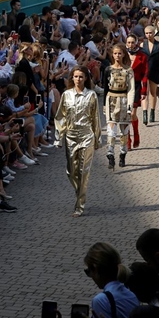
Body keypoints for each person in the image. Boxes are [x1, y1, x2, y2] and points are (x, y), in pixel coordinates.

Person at [54, 66, 101, 217]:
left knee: (83, 171)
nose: (78, 79)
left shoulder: (91, 95)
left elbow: (96, 118)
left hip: (87, 136)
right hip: (71, 136)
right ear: (72, 78)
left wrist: (97, 138)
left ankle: (79, 205)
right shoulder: (66, 95)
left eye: (81, 77)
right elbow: (60, 116)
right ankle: (79, 190)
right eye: (75, 76)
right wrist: (58, 138)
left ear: (86, 78)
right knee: (71, 171)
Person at [84, 242, 139, 318]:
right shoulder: (131, 294)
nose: (91, 276)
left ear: (96, 269)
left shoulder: (101, 300)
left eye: (89, 271)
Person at [103, 43, 135, 169]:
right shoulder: (108, 69)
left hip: (123, 100)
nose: (117, 56)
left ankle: (123, 153)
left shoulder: (128, 70)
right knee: (111, 130)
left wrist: (130, 106)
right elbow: (105, 88)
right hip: (111, 100)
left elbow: (131, 89)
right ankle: (110, 153)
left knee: (124, 131)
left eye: (119, 53)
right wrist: (104, 105)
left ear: (123, 54)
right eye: (115, 53)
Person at [140, 25, 159, 125]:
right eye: (146, 33)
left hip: (155, 71)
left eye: (150, 33)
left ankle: (152, 112)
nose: (148, 35)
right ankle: (145, 113)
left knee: (153, 93)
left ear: (154, 33)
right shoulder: (142, 45)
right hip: (144, 72)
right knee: (144, 93)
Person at [125, 34, 147, 149]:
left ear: (136, 42)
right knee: (126, 115)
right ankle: (127, 139)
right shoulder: (122, 56)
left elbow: (145, 74)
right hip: (124, 87)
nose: (130, 44)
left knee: (132, 113)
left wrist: (144, 91)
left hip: (136, 86)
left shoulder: (142, 56)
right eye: (128, 42)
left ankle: (136, 133)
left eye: (133, 42)